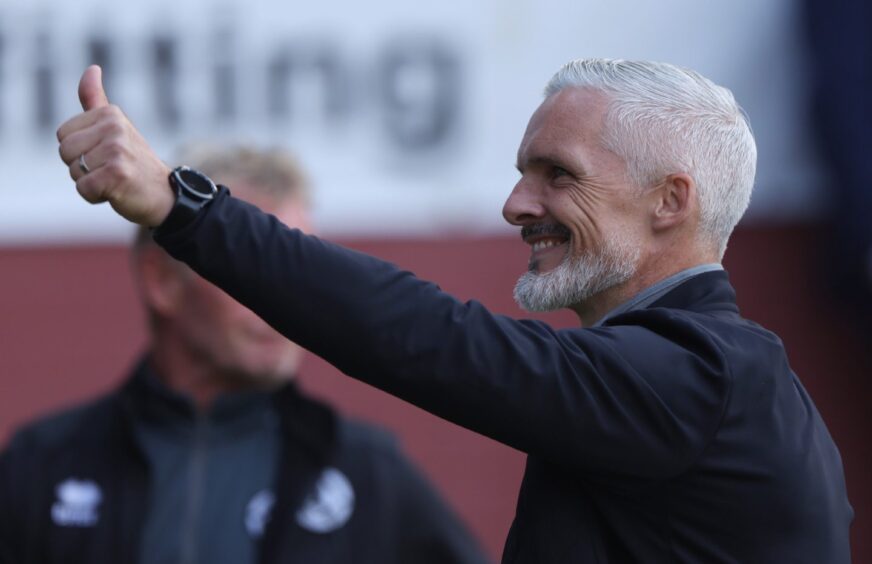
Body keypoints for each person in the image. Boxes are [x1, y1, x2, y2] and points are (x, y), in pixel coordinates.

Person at [54, 60, 853, 562]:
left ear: (671, 201)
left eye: (557, 175)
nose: (515, 205)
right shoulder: (709, 383)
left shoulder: (700, 380)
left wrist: (181, 206)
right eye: (519, 172)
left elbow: (429, 337)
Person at [0, 145, 490, 564]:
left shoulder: (368, 472)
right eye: (255, 276)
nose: (288, 306)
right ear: (162, 281)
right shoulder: (42, 465)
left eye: (300, 276)